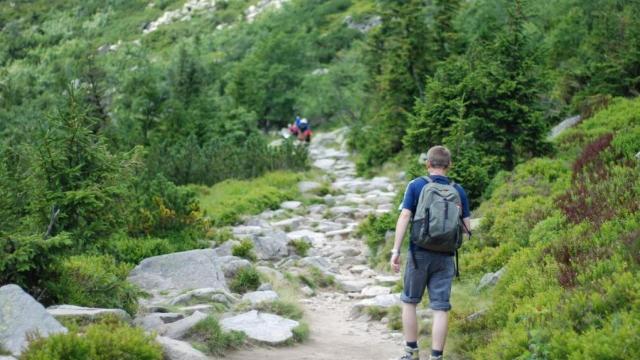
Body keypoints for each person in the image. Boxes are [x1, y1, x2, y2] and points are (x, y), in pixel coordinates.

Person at [391, 146, 471, 360]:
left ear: (428, 164)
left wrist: (396, 250)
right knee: (440, 307)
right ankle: (436, 356)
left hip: (419, 253)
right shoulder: (459, 190)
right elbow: (467, 228)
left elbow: (405, 216)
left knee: (409, 301)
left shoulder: (416, 185)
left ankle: (411, 352)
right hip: (446, 257)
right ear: (449, 165)